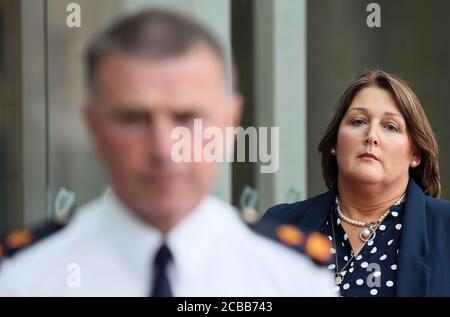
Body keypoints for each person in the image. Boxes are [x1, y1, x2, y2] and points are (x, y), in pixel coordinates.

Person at [0, 9, 334, 296]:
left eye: (187, 118)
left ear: (230, 122)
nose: (163, 148)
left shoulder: (292, 276)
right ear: (93, 126)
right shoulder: (25, 278)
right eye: (133, 118)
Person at [263, 69, 450, 297]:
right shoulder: (280, 225)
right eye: (358, 121)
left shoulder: (444, 228)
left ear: (415, 154)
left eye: (390, 126)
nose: (371, 135)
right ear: (334, 143)